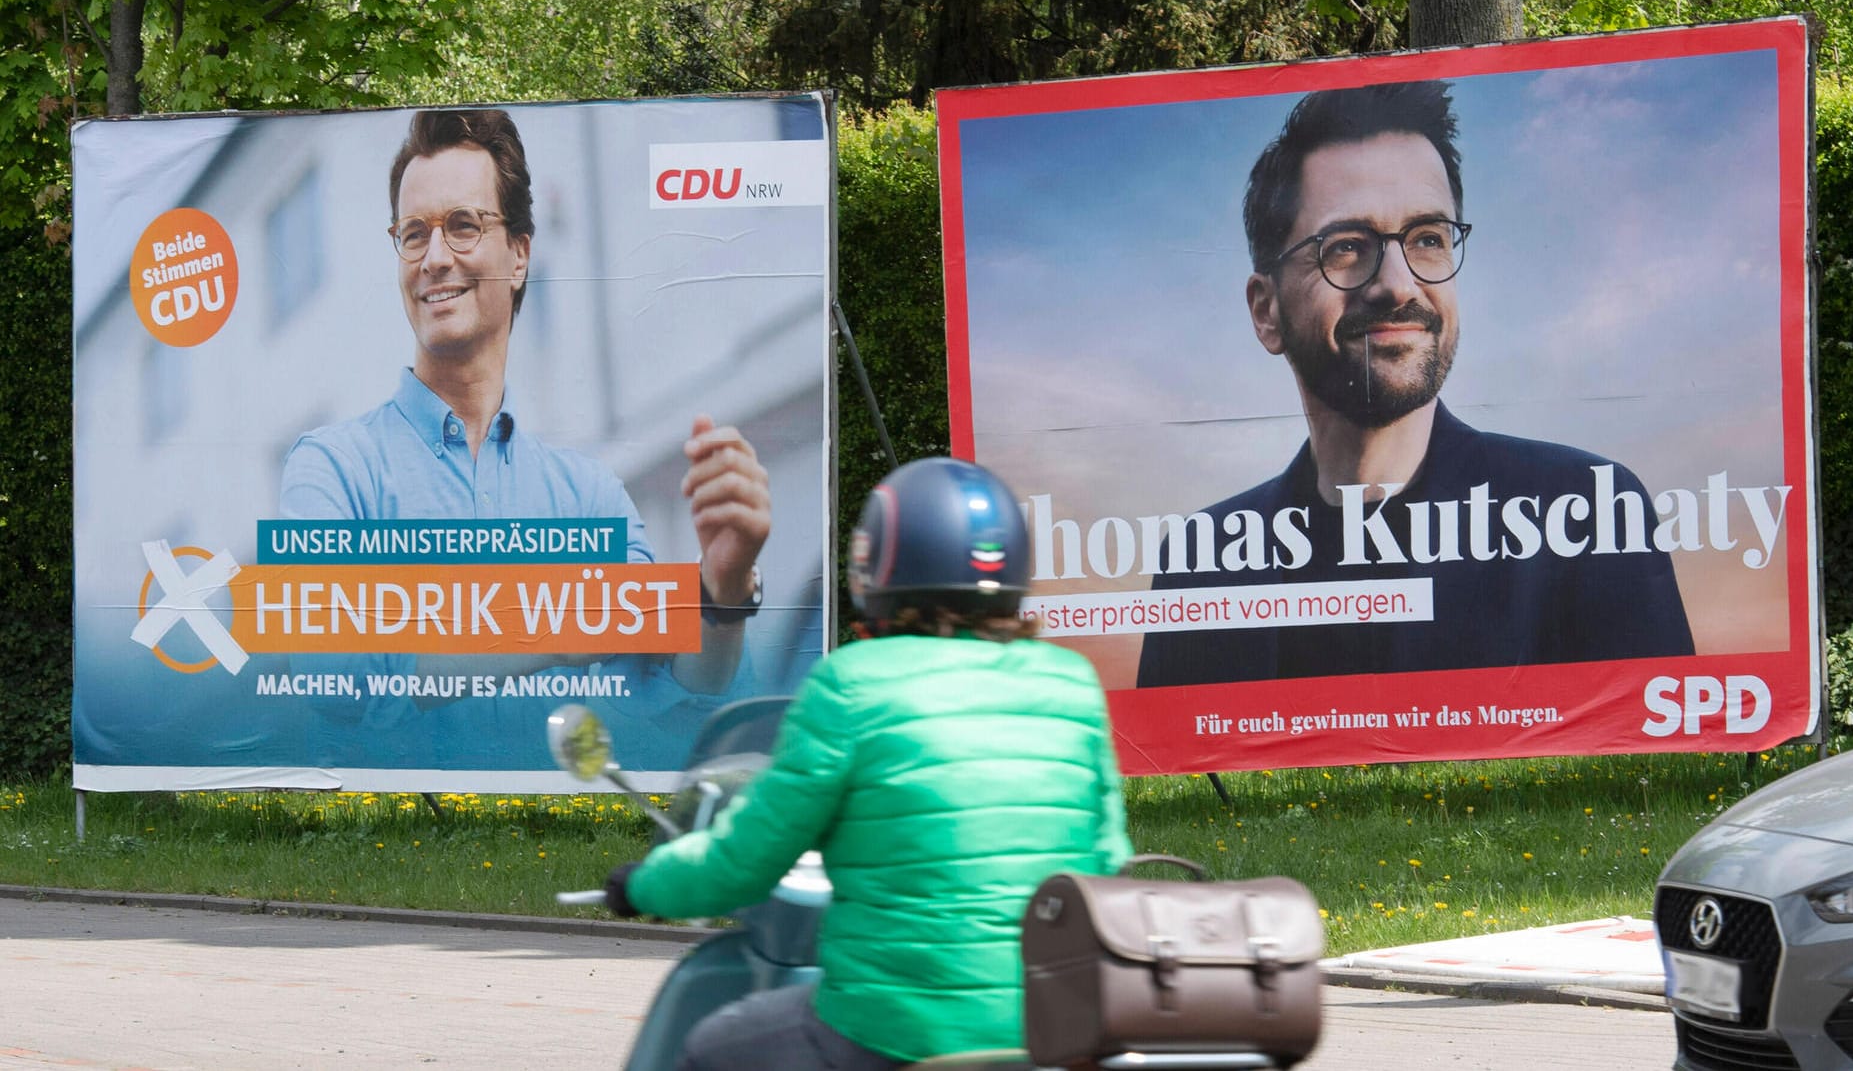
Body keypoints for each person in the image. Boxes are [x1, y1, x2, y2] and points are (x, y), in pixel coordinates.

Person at [1136, 81, 1693, 688]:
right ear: (1266, 311)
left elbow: (1662, 769)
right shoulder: (1203, 561)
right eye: (1346, 248)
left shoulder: (1589, 511)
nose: (1398, 285)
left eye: (1428, 239)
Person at [279, 108, 771, 767]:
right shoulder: (333, 468)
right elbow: (332, 672)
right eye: (412, 233)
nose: (432, 259)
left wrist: (724, 590)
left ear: (518, 255)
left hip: (546, 847)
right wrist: (556, 626)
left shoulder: (587, 494)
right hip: (381, 855)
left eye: (461, 226)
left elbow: (682, 691)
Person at [604, 457, 1133, 1068]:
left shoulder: (852, 683)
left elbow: (743, 862)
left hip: (894, 1036)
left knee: (709, 1047)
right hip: (1053, 1033)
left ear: (877, 563)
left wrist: (643, 884)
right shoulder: (1071, 685)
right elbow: (1108, 860)